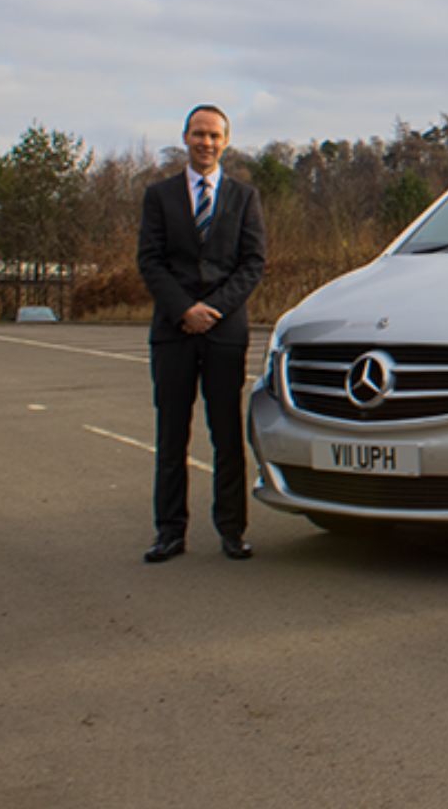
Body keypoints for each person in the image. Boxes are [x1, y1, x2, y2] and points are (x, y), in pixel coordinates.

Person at [136, 105, 268, 564]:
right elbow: (149, 261)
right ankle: (169, 532)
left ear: (225, 142)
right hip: (173, 332)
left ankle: (232, 530)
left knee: (226, 435)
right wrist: (183, 310)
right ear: (185, 137)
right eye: (198, 134)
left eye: (214, 136)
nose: (205, 143)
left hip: (224, 332)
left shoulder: (244, 196)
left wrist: (212, 309)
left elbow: (252, 263)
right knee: (171, 435)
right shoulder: (160, 195)